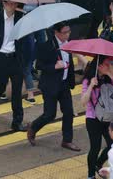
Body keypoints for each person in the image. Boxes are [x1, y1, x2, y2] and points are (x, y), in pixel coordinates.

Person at [27, 22, 80, 151]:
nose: (68, 34)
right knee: (50, 114)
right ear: (56, 32)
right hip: (50, 85)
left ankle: (67, 140)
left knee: (68, 112)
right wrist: (54, 66)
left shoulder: (69, 43)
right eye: (64, 32)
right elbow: (38, 65)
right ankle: (33, 127)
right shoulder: (47, 46)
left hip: (64, 83)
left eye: (69, 31)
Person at [0, 0, 27, 131]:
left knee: (16, 92)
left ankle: (17, 122)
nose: (11, 6)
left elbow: (24, 40)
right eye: (8, 3)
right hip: (0, 58)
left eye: (14, 4)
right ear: (3, 3)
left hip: (15, 58)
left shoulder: (21, 18)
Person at [81, 58, 113, 179]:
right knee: (95, 148)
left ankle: (98, 164)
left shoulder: (108, 78)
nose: (108, 66)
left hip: (108, 118)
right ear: (99, 66)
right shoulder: (87, 80)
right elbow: (83, 102)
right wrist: (91, 86)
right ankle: (90, 176)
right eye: (106, 65)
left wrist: (109, 73)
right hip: (93, 119)